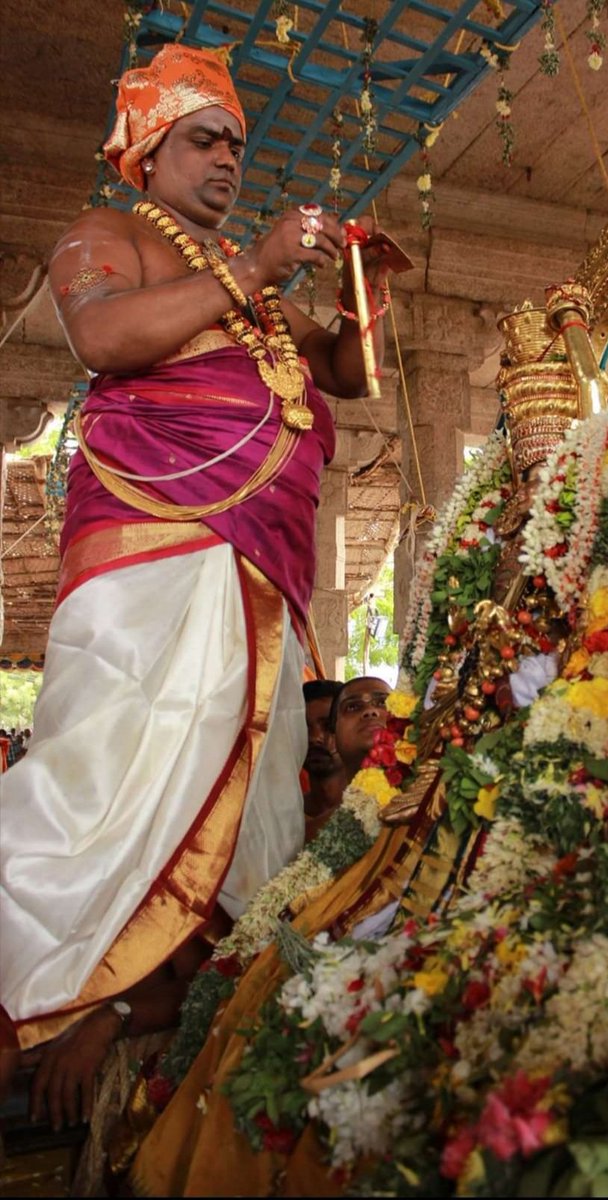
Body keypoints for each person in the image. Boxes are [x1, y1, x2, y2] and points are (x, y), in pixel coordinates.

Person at [0, 41, 392, 1086]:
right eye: (203, 139)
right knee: (119, 765)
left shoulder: (257, 301)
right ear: (149, 152)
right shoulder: (109, 235)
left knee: (237, 764)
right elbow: (102, 340)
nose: (226, 157)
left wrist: (363, 291)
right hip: (150, 550)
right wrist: (254, 267)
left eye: (235, 143)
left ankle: (188, 997)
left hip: (255, 563)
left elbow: (350, 376)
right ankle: (72, 994)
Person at [301, 679, 345, 841]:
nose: (315, 738)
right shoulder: (281, 817)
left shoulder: (375, 810)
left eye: (328, 726)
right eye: (303, 727)